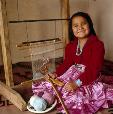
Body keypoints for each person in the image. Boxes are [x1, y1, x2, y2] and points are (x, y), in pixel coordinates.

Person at [32, 12, 113, 114]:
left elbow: (93, 70)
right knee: (53, 84)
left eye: (83, 23)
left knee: (77, 96)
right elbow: (66, 64)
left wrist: (77, 83)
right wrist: (56, 73)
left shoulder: (98, 45)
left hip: (88, 77)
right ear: (72, 29)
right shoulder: (70, 46)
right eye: (75, 25)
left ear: (90, 25)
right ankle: (45, 99)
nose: (80, 27)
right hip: (73, 73)